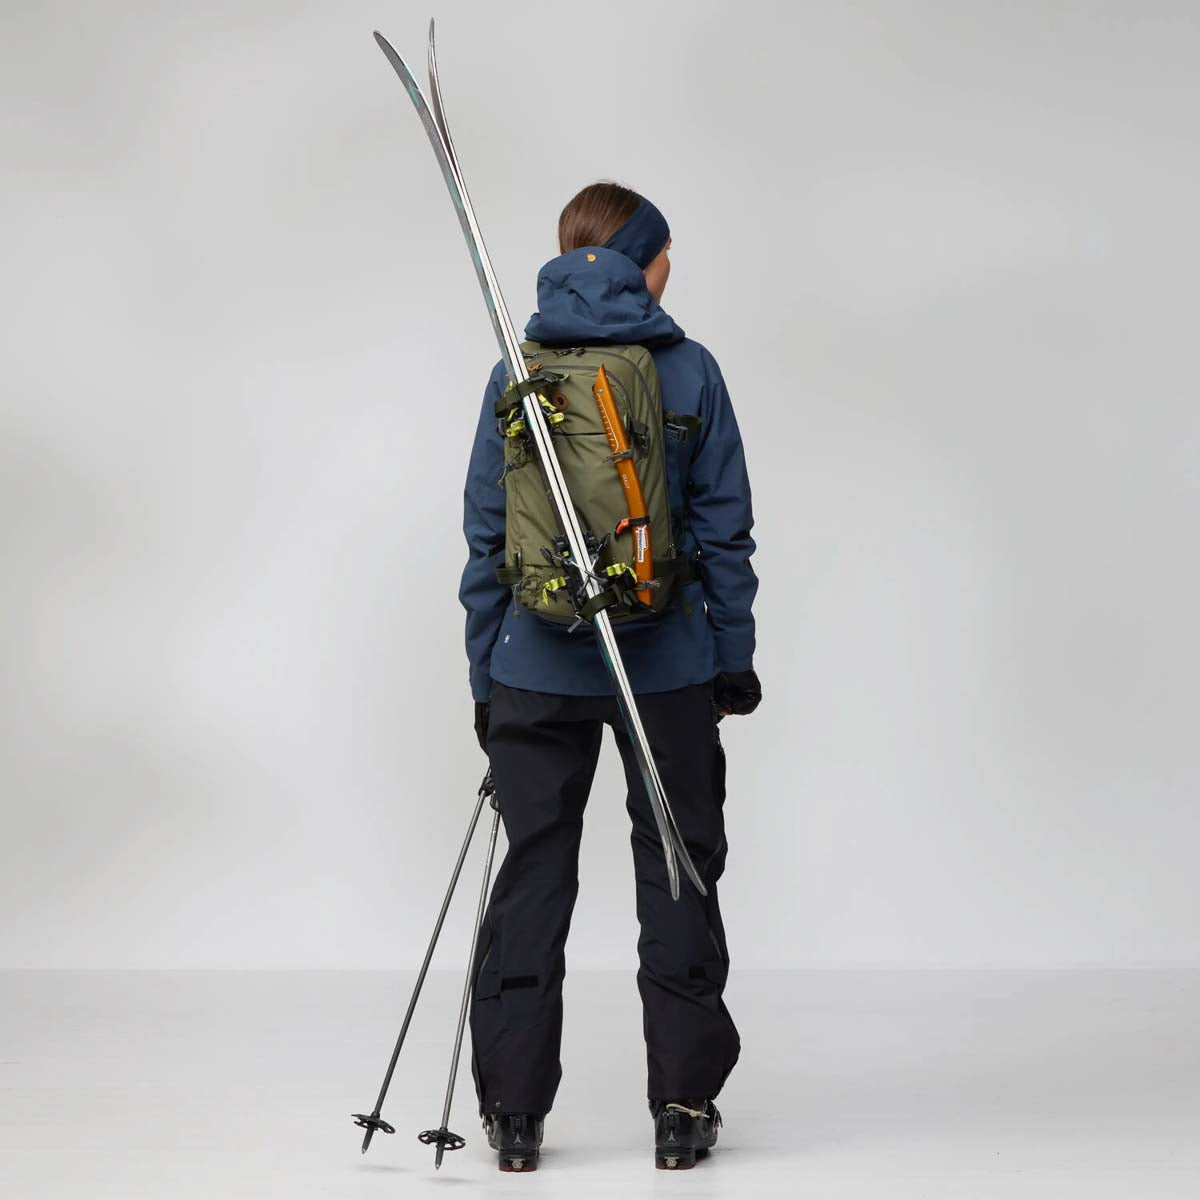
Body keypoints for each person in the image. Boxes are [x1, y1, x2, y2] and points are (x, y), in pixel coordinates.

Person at [457, 181, 761, 1171]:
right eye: (665, 251)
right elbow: (723, 531)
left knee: (534, 875)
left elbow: (487, 538)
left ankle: (513, 1117)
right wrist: (733, 657)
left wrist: (485, 675)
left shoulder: (517, 367)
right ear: (645, 261)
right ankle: (682, 1107)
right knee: (678, 870)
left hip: (534, 665)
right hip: (666, 664)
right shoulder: (691, 371)